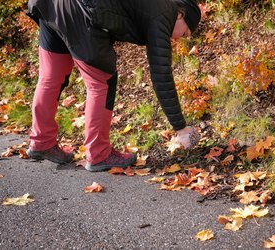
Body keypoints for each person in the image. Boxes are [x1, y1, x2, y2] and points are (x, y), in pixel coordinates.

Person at [25, 0, 201, 172]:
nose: (179, 39)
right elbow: (162, 76)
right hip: (82, 9)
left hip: (49, 5)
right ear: (181, 14)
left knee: (51, 77)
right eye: (185, 33)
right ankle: (99, 154)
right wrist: (181, 128)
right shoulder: (165, 12)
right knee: (101, 82)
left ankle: (41, 142)